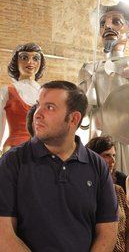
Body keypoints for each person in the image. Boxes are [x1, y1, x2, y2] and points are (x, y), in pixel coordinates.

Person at [0, 80, 118, 251]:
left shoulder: (97, 166)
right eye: (38, 105)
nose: (37, 114)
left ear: (73, 119)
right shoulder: (12, 162)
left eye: (49, 107)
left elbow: (107, 231)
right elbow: (4, 234)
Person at [79, 2, 129, 174]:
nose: (108, 26)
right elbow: (83, 109)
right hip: (98, 134)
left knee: (127, 177)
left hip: (127, 135)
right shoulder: (87, 68)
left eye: (116, 21)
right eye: (103, 23)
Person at [86, 136, 129, 252]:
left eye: (114, 155)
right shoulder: (84, 191)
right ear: (94, 157)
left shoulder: (118, 191)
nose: (113, 161)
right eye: (107, 155)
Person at [0, 43, 45, 153]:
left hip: (41, 151)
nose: (30, 62)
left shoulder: (45, 92)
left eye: (35, 58)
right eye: (24, 58)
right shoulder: (7, 91)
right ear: (16, 61)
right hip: (14, 150)